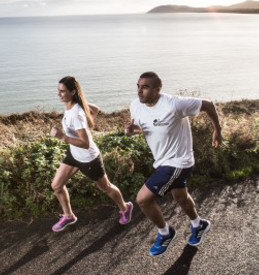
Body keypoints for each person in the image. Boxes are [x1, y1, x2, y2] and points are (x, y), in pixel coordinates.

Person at [124, 71, 222, 256]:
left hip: (179, 161)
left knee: (143, 199)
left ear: (157, 89)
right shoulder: (136, 105)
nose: (139, 91)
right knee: (181, 197)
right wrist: (131, 131)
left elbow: (208, 104)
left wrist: (217, 129)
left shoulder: (174, 104)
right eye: (138, 86)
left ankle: (165, 232)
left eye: (145, 87)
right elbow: (143, 128)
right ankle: (198, 224)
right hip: (161, 161)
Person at [49, 76, 133, 232]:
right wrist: (89, 124)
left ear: (73, 92)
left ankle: (125, 207)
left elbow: (85, 143)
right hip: (74, 154)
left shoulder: (76, 114)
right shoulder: (72, 106)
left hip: (89, 158)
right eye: (58, 90)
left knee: (105, 187)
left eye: (62, 91)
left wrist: (63, 137)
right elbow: (95, 109)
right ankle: (68, 216)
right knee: (57, 185)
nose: (59, 94)